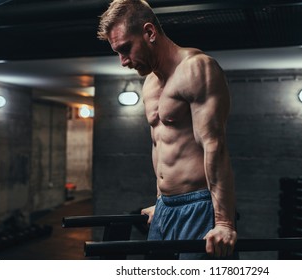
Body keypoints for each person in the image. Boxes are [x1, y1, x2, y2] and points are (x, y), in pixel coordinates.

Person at [98, 0, 237, 259]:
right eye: (117, 52)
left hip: (199, 205)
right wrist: (162, 200)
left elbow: (214, 146)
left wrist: (224, 222)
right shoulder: (150, 83)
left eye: (126, 49)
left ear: (150, 33)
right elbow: (160, 146)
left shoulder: (197, 68)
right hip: (164, 207)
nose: (123, 61)